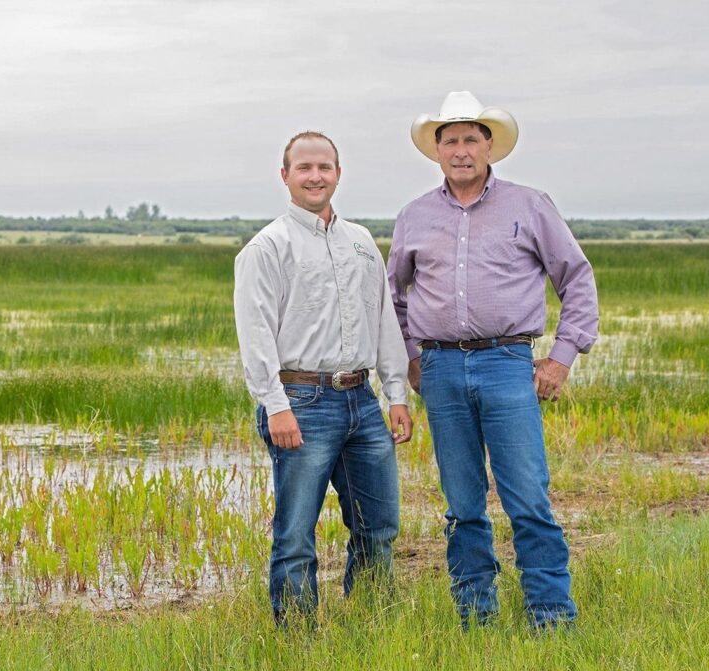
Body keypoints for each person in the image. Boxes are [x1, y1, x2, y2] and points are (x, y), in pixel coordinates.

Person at [387, 91, 599, 629]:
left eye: (471, 140)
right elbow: (392, 297)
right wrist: (411, 356)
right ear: (437, 152)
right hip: (440, 371)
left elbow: (576, 278)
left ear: (490, 148)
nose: (461, 150)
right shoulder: (414, 216)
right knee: (462, 504)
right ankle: (474, 615)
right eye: (450, 140)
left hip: (509, 364)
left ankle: (551, 615)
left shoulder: (529, 205)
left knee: (527, 496)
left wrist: (561, 358)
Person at [234, 131, 413, 625]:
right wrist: (276, 406)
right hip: (301, 400)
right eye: (304, 168)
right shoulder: (267, 247)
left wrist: (395, 394)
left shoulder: (360, 243)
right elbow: (255, 335)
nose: (316, 176)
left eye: (325, 167)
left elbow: (383, 321)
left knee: (378, 525)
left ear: (338, 173)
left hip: (362, 400)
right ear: (285, 175)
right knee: (296, 533)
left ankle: (369, 619)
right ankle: (297, 635)